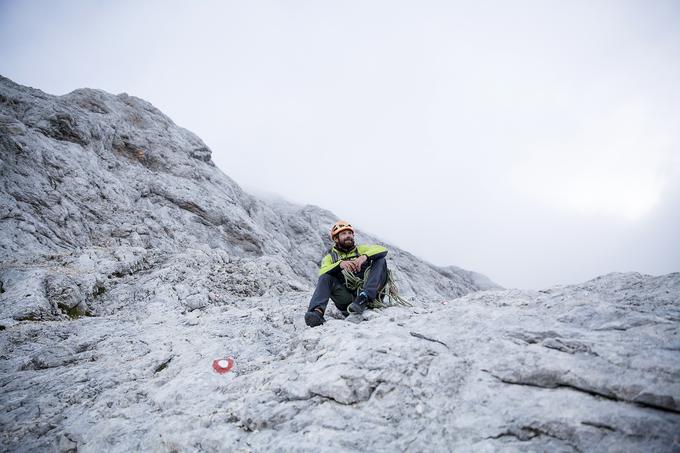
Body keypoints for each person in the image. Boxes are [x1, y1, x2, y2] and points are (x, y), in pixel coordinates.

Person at [304, 220, 389, 327]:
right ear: (336, 238)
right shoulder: (330, 258)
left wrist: (364, 257)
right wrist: (340, 264)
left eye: (350, 233)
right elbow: (322, 272)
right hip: (347, 298)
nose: (348, 236)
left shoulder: (362, 250)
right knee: (326, 277)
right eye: (343, 234)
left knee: (380, 260)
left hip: (369, 296)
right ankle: (316, 312)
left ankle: (364, 297)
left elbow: (382, 249)